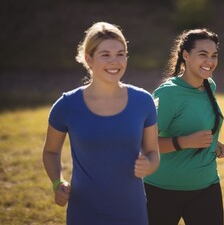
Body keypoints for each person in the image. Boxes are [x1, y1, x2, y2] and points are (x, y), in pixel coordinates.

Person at [42, 22, 160, 225]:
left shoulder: (143, 101)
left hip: (132, 211)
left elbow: (153, 153)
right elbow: (51, 151)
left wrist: (148, 165)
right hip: (84, 212)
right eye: (105, 55)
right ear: (89, 59)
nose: (115, 62)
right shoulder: (67, 105)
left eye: (120, 54)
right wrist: (57, 182)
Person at [144, 28, 224, 225]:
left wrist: (214, 141)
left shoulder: (209, 86)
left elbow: (196, 120)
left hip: (207, 187)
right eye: (203, 55)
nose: (210, 61)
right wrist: (185, 142)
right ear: (186, 56)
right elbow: (145, 144)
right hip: (162, 190)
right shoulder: (168, 94)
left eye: (214, 55)